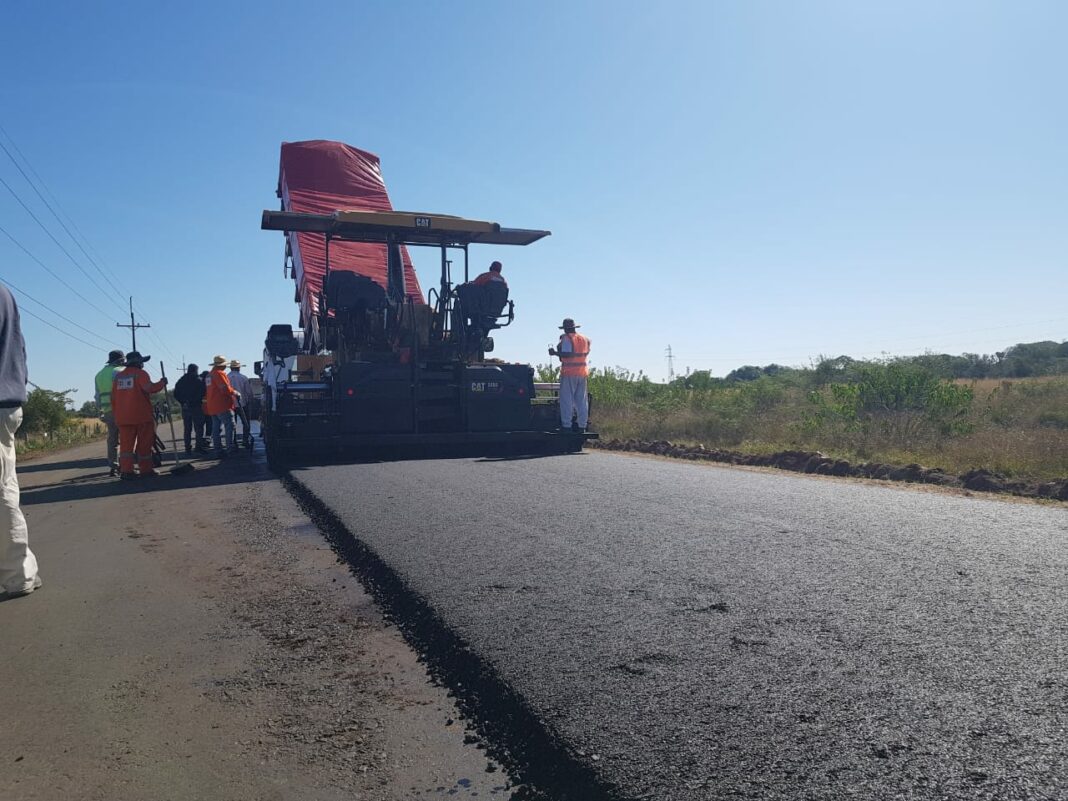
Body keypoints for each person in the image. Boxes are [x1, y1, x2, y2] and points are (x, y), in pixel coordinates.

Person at [0, 283, 40, 600]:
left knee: (2, 492)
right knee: (3, 486)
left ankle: (17, 574)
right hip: (7, 401)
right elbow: (21, 350)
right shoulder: (6, 293)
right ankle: (19, 572)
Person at [111, 351, 167, 480]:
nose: (142, 364)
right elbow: (149, 388)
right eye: (141, 361)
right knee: (144, 445)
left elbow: (113, 398)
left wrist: (117, 415)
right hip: (141, 416)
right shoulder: (140, 374)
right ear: (137, 362)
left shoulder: (119, 377)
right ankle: (145, 469)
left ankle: (126, 471)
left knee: (126, 447)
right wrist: (162, 383)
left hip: (123, 418)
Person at [548, 318, 591, 432]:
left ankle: (566, 425)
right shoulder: (585, 339)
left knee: (566, 400)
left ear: (566, 328)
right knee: (581, 401)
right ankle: (582, 425)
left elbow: (568, 354)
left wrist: (555, 353)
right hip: (582, 372)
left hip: (569, 372)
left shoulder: (567, 338)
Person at [94, 349, 124, 476]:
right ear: (121, 360)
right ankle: (126, 465)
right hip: (122, 409)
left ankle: (113, 465)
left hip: (107, 411)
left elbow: (97, 396)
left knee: (112, 440)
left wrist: (100, 411)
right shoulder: (119, 372)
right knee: (127, 438)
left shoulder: (99, 374)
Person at [205, 355, 237, 458]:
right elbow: (225, 389)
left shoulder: (209, 375)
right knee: (230, 426)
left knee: (216, 429)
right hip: (222, 405)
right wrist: (235, 392)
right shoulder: (219, 374)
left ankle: (218, 449)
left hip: (212, 406)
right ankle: (230, 449)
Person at [173, 363, 207, 454]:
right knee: (199, 428)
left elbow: (175, 393)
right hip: (196, 407)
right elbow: (203, 392)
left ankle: (187, 448)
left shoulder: (181, 381)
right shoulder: (198, 381)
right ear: (195, 370)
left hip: (185, 407)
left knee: (187, 428)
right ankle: (198, 447)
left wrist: (182, 402)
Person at [227, 359, 253, 449]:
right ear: (239, 368)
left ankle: (233, 442)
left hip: (230, 405)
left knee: (231, 424)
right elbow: (248, 392)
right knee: (246, 423)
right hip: (242, 404)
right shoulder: (243, 378)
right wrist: (250, 400)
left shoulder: (226, 378)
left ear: (230, 368)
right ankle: (245, 440)